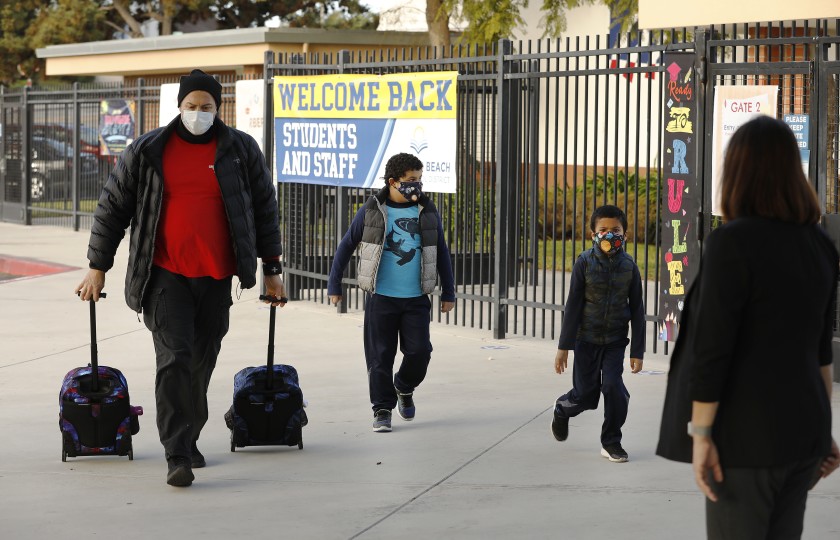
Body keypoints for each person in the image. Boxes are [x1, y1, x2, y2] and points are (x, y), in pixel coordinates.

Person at [75, 69, 286, 488]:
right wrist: (98, 266)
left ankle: (188, 436)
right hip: (164, 274)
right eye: (191, 106)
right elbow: (113, 208)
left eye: (206, 107)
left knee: (201, 361)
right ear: (179, 107)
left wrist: (273, 270)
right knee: (174, 358)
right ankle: (177, 453)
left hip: (216, 275)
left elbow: (263, 211)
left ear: (217, 109)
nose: (198, 113)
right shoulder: (149, 150)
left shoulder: (240, 150)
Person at [656, 116, 840, 539]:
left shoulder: (733, 243)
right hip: (802, 435)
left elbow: (712, 349)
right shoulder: (819, 245)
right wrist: (822, 428)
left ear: (738, 172)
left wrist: (700, 435)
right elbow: (821, 352)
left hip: (743, 441)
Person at [327, 152, 455, 432]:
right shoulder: (372, 210)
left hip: (416, 299)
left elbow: (441, 252)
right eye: (411, 180)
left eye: (420, 180)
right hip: (381, 297)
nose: (417, 186)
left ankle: (404, 387)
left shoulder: (427, 211)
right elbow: (346, 246)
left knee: (420, 352)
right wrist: (334, 284)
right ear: (393, 182)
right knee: (380, 356)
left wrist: (449, 292)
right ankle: (382, 408)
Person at [550, 204, 645, 462]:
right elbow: (573, 306)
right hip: (586, 341)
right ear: (593, 234)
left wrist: (637, 351)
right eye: (603, 230)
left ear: (625, 235)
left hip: (615, 341)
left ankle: (611, 441)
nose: (610, 235)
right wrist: (564, 347)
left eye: (616, 230)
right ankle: (562, 409)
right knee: (586, 397)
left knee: (614, 387)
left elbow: (637, 310)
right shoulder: (584, 263)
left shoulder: (629, 267)